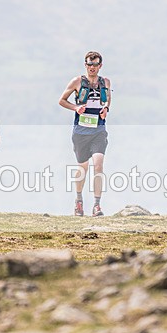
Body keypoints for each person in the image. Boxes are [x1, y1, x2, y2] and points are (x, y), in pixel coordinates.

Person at [58, 51, 111, 216]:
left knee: (98, 164)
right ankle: (79, 201)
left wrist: (106, 109)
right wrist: (75, 108)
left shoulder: (106, 82)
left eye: (95, 65)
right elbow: (62, 100)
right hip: (81, 131)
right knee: (83, 167)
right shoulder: (77, 81)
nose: (92, 68)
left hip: (99, 130)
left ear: (100, 66)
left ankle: (97, 205)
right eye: (89, 64)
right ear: (85, 65)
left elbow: (108, 98)